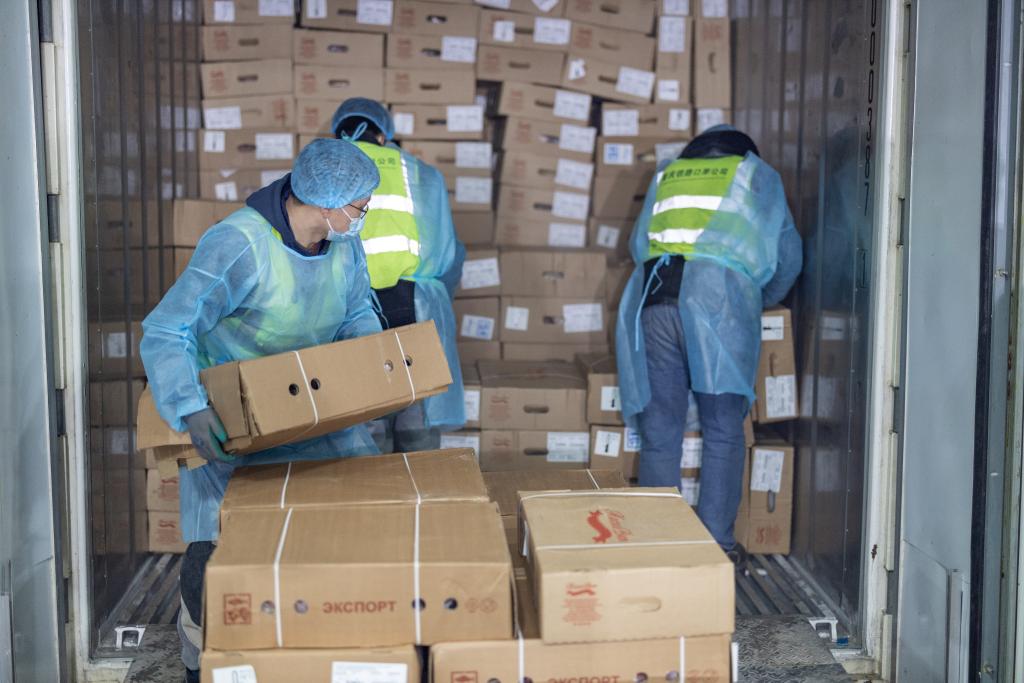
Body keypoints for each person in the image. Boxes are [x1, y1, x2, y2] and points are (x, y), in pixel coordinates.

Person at [139, 138, 385, 683]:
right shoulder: (241, 244)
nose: (364, 214)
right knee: (220, 558)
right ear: (325, 202)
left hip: (314, 416)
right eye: (360, 205)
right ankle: (203, 663)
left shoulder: (342, 244)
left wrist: (370, 364)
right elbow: (168, 329)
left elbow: (356, 311)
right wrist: (190, 407)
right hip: (237, 427)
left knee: (346, 531)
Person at [615, 125, 802, 567]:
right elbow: (789, 255)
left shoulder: (668, 173)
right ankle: (716, 545)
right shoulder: (755, 175)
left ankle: (658, 544)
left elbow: (638, 244)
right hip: (719, 303)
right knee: (722, 427)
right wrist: (755, 299)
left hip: (654, 301)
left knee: (661, 431)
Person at [331, 97, 466, 452]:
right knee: (416, 416)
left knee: (366, 416)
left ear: (340, 133)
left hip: (352, 310)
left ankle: (372, 483)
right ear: (383, 134)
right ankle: (419, 483)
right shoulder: (422, 174)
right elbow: (449, 254)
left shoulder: (326, 173)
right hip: (416, 307)